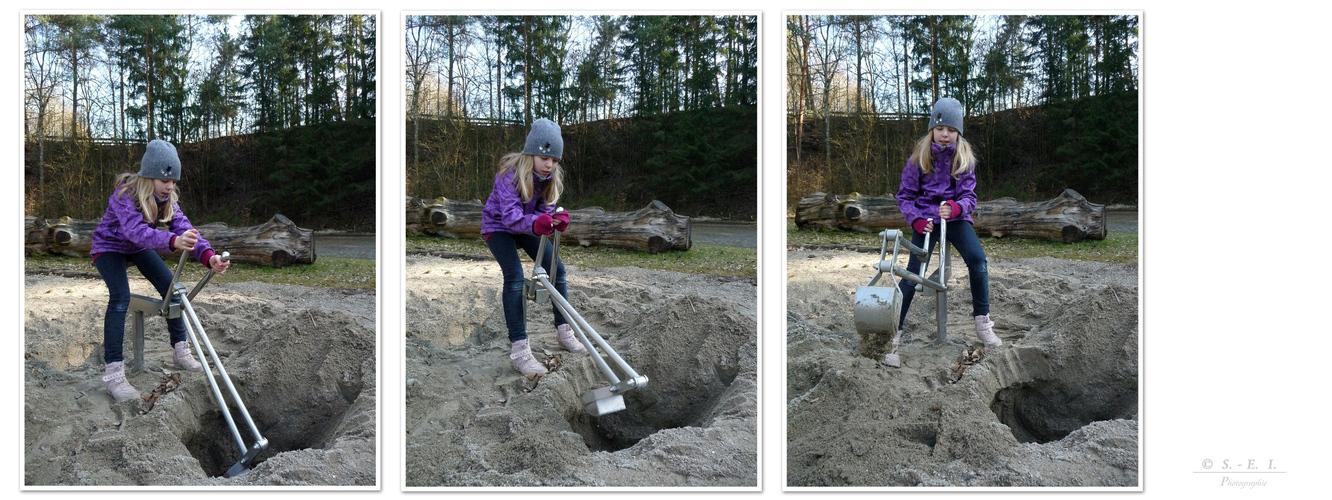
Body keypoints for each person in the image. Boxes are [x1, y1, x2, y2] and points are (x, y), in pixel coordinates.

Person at [91, 139, 231, 402]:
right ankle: (114, 374)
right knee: (120, 297)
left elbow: (187, 230)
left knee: (173, 289)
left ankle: (181, 351)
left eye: (174, 181)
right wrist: (171, 242)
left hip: (137, 247)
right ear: (148, 176)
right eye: (164, 180)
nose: (169, 186)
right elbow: (135, 231)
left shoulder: (168, 201)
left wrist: (209, 256)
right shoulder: (125, 195)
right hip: (109, 246)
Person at [482, 118, 585, 378]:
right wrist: (539, 223)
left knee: (557, 270)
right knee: (515, 277)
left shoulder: (549, 179)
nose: (549, 163)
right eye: (544, 156)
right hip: (499, 227)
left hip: (527, 227)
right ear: (531, 152)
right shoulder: (509, 175)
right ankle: (519, 351)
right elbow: (510, 217)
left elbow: (544, 212)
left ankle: (564, 331)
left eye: (555, 159)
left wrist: (554, 221)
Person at [895, 97, 1001, 349]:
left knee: (978, 260)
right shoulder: (917, 159)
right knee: (912, 273)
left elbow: (969, 196)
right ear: (932, 129)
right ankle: (894, 329)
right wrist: (917, 220)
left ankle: (982, 323)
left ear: (958, 133)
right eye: (940, 129)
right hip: (926, 220)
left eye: (951, 130)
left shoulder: (964, 159)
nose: (945, 135)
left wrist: (956, 208)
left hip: (954, 218)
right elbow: (905, 196)